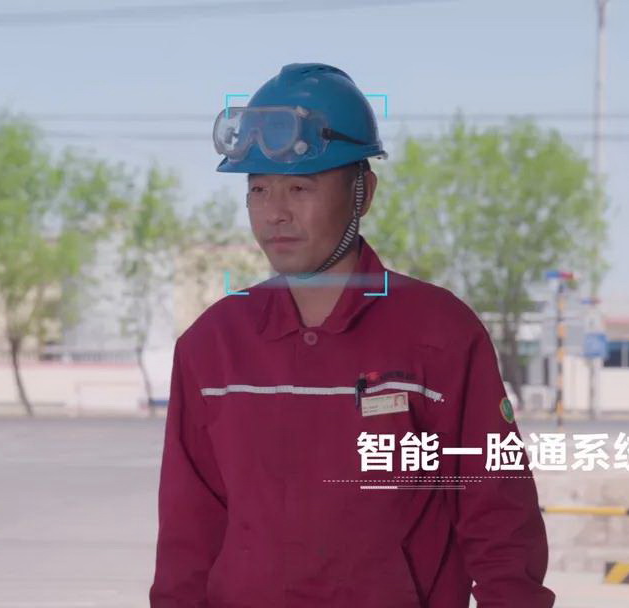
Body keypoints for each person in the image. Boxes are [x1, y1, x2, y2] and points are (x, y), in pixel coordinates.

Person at [149, 62, 555, 608]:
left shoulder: (440, 334)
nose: (275, 213)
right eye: (259, 189)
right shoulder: (212, 347)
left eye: (299, 187)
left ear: (363, 192)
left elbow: (499, 515)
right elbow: (187, 536)